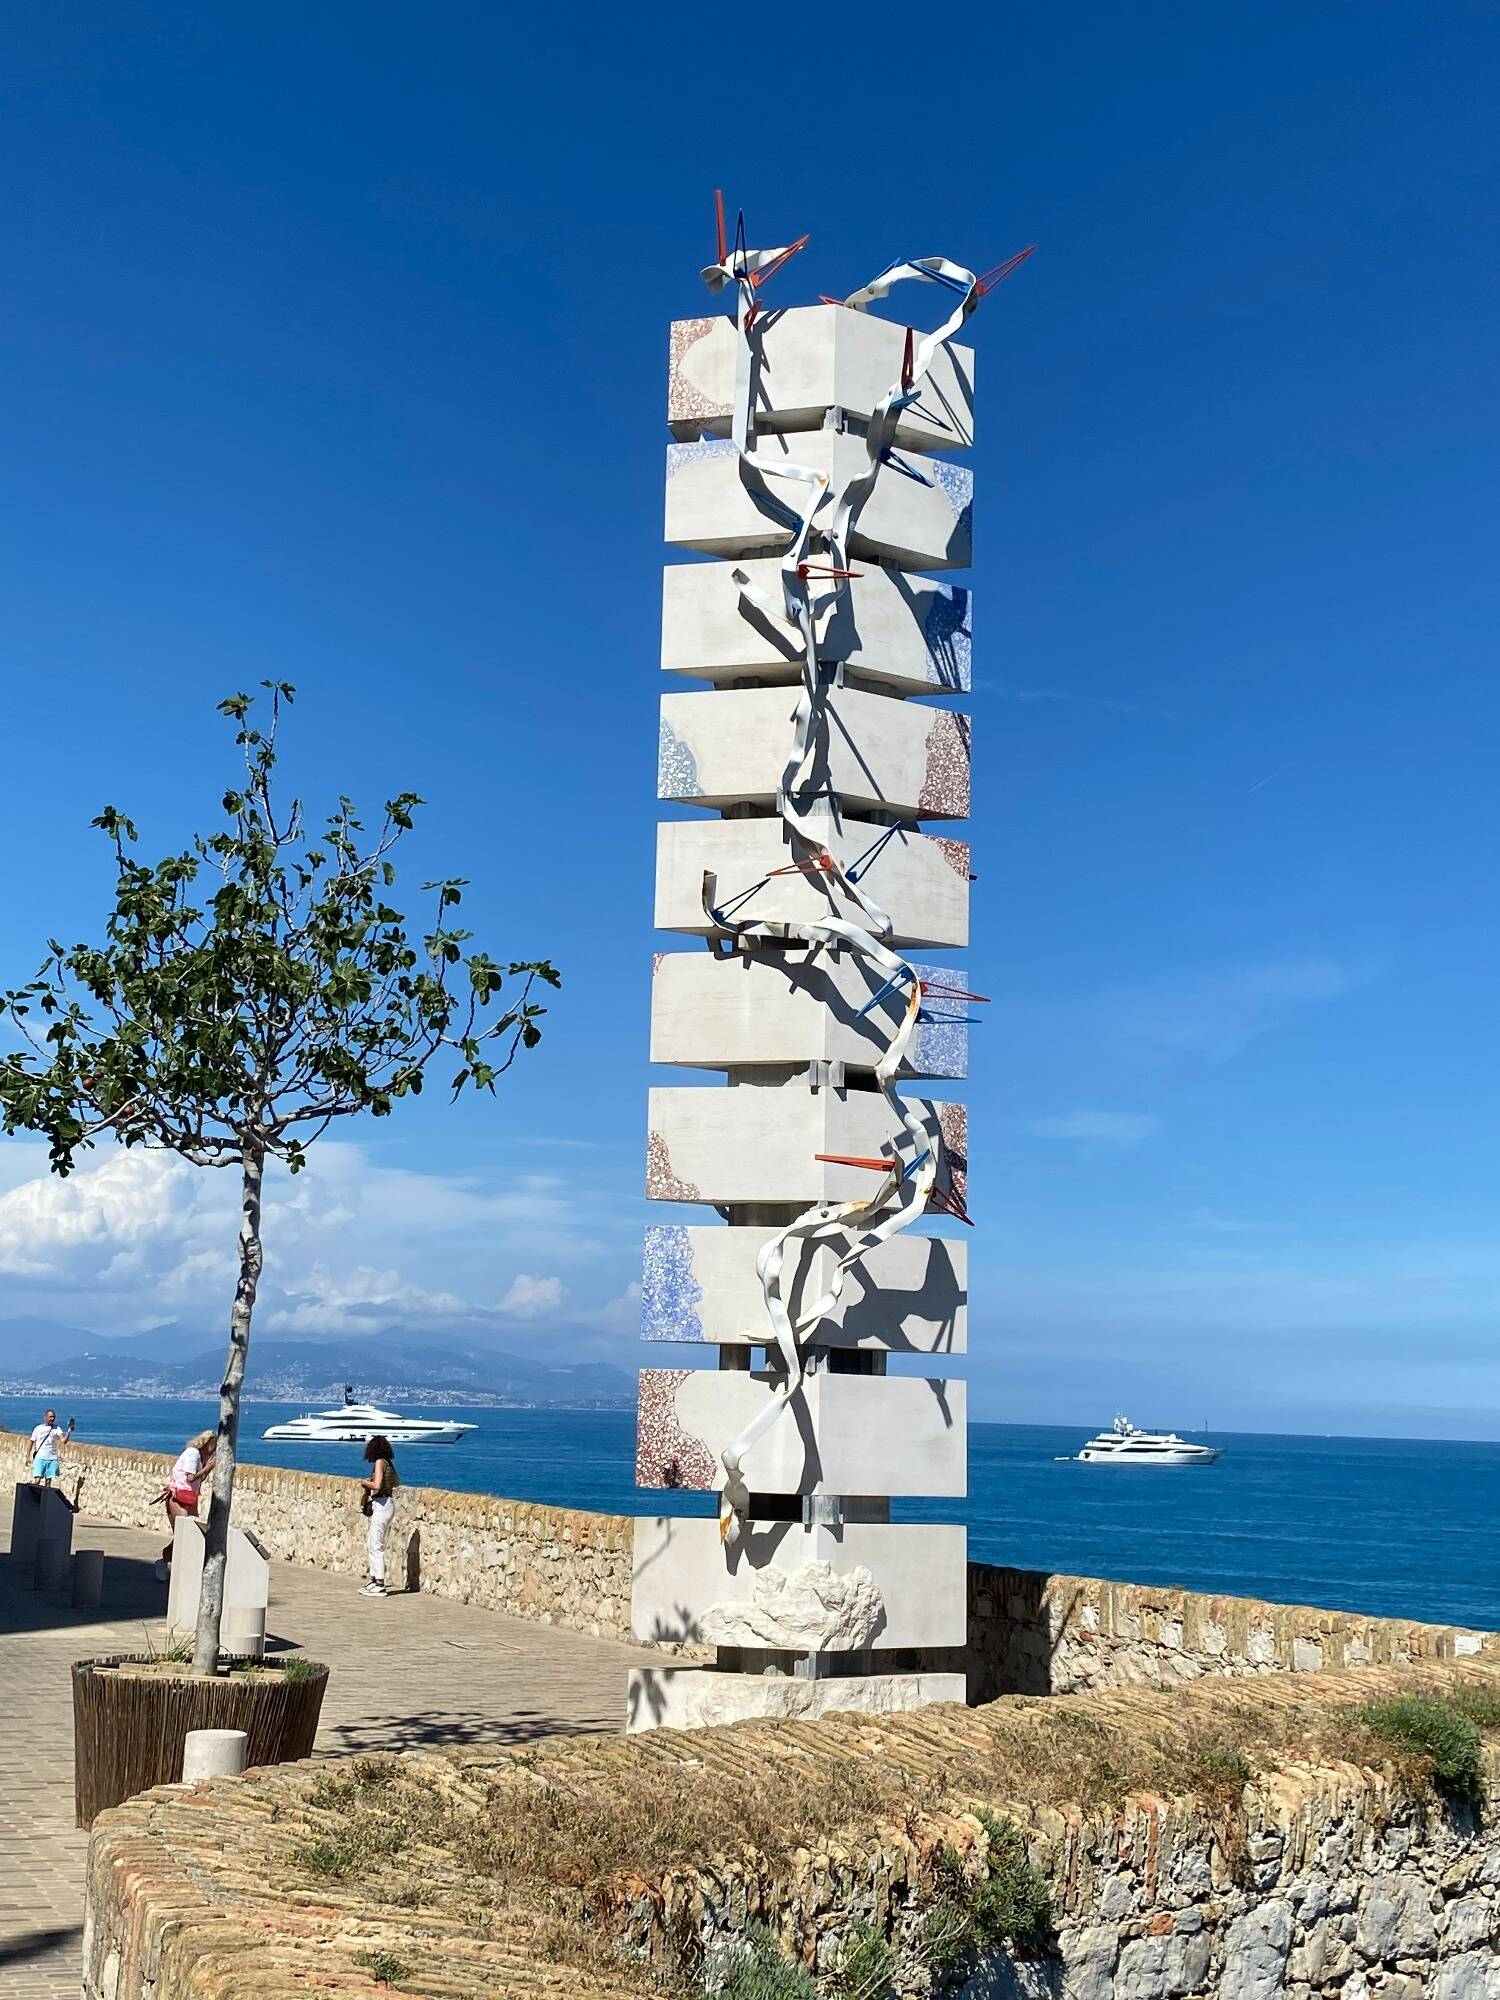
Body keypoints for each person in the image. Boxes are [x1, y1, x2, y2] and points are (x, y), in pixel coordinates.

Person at [154, 1429, 217, 1581]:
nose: (215, 1449)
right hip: (178, 1497)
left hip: (191, 1497)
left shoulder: (201, 1457)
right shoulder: (192, 1454)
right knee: (184, 1534)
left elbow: (199, 1480)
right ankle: (164, 1561)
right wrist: (208, 1468)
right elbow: (190, 1478)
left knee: (191, 1534)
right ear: (207, 1443)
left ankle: (172, 1563)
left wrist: (208, 1467)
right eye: (213, 1445)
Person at [359, 1435, 399, 1597]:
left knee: (375, 1545)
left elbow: (376, 1486)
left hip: (382, 1505)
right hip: (386, 1504)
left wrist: (365, 1483)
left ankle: (380, 1583)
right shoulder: (389, 1464)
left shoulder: (379, 1462)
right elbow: (396, 1483)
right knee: (372, 1542)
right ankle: (374, 1579)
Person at [28, 1409, 73, 1488]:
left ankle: (45, 1499)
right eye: (51, 1417)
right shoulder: (38, 1428)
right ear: (45, 1417)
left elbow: (63, 1441)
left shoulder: (57, 1428)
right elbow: (31, 1443)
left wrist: (69, 1431)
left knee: (48, 1483)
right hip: (40, 1458)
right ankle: (34, 1498)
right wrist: (27, 1456)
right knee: (37, 1481)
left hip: (52, 1458)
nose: (52, 1419)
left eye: (54, 1417)